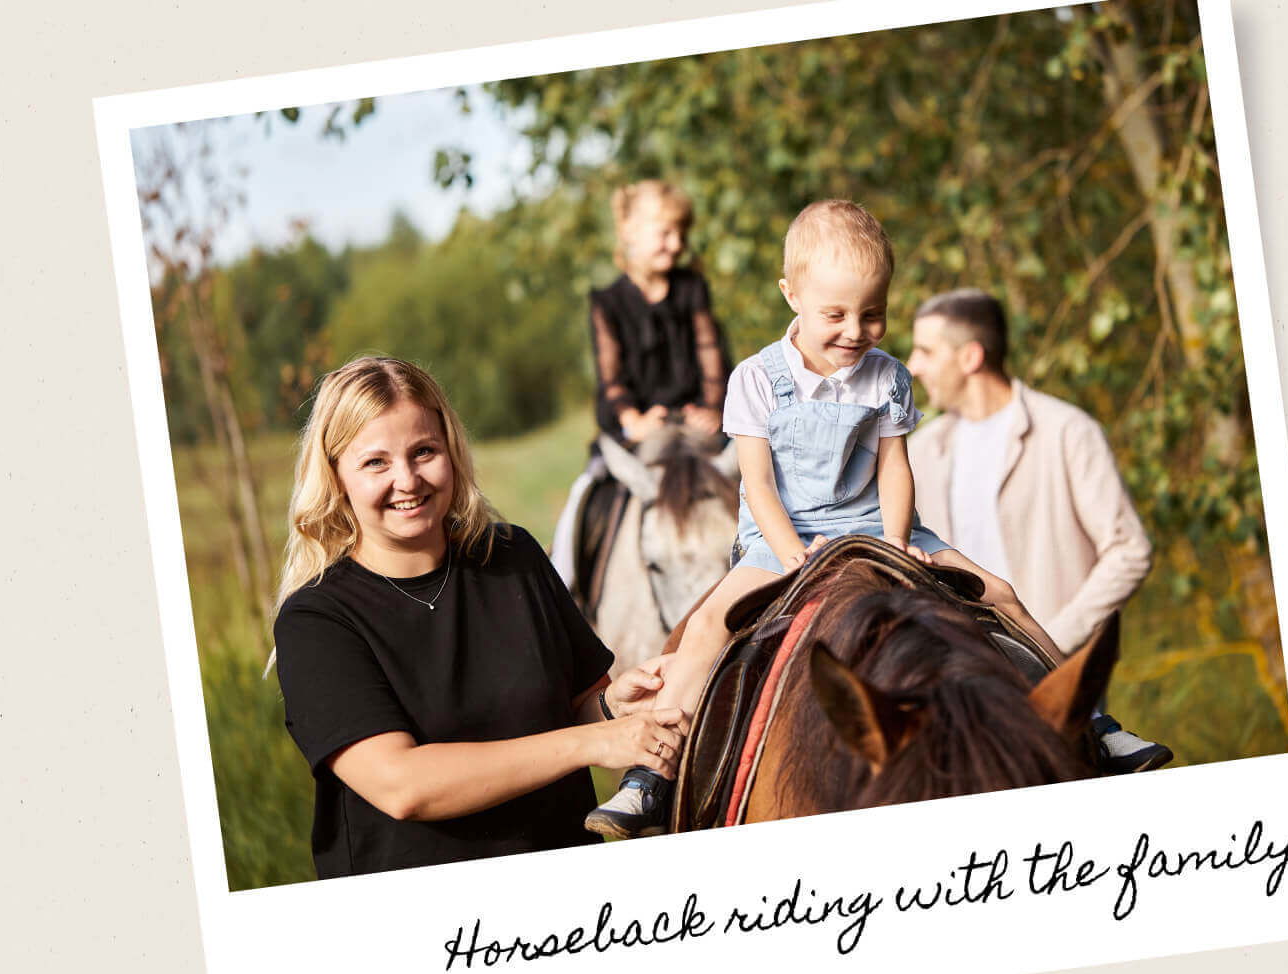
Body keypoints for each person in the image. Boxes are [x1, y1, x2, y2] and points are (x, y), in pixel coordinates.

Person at [585, 201, 1063, 839]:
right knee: (702, 629)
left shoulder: (888, 377)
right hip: (780, 533)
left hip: (874, 522)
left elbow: (895, 467)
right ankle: (649, 777)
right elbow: (756, 483)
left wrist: (896, 543)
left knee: (997, 593)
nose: (855, 331)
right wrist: (790, 557)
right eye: (834, 314)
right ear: (792, 296)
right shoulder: (755, 380)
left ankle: (1087, 723)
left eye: (873, 313)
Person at [270, 357, 687, 880]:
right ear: (336, 476)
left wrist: (611, 707)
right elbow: (404, 786)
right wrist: (594, 742)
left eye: (424, 452)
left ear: (451, 450)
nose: (407, 480)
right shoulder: (316, 621)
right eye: (376, 462)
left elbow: (578, 707)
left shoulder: (512, 557)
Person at [905, 288, 1171, 772]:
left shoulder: (1068, 431)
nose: (913, 365)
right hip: (955, 680)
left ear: (970, 357)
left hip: (1053, 674)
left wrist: (1052, 638)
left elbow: (1128, 550)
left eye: (925, 350)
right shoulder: (920, 451)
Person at [549, 179, 731, 592]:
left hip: (693, 422)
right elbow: (611, 377)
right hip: (636, 428)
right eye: (665, 232)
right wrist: (632, 419)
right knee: (585, 496)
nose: (676, 243)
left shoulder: (691, 288)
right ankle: (568, 589)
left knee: (748, 476)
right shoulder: (607, 303)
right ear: (629, 231)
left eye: (681, 234)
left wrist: (713, 406)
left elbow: (710, 352)